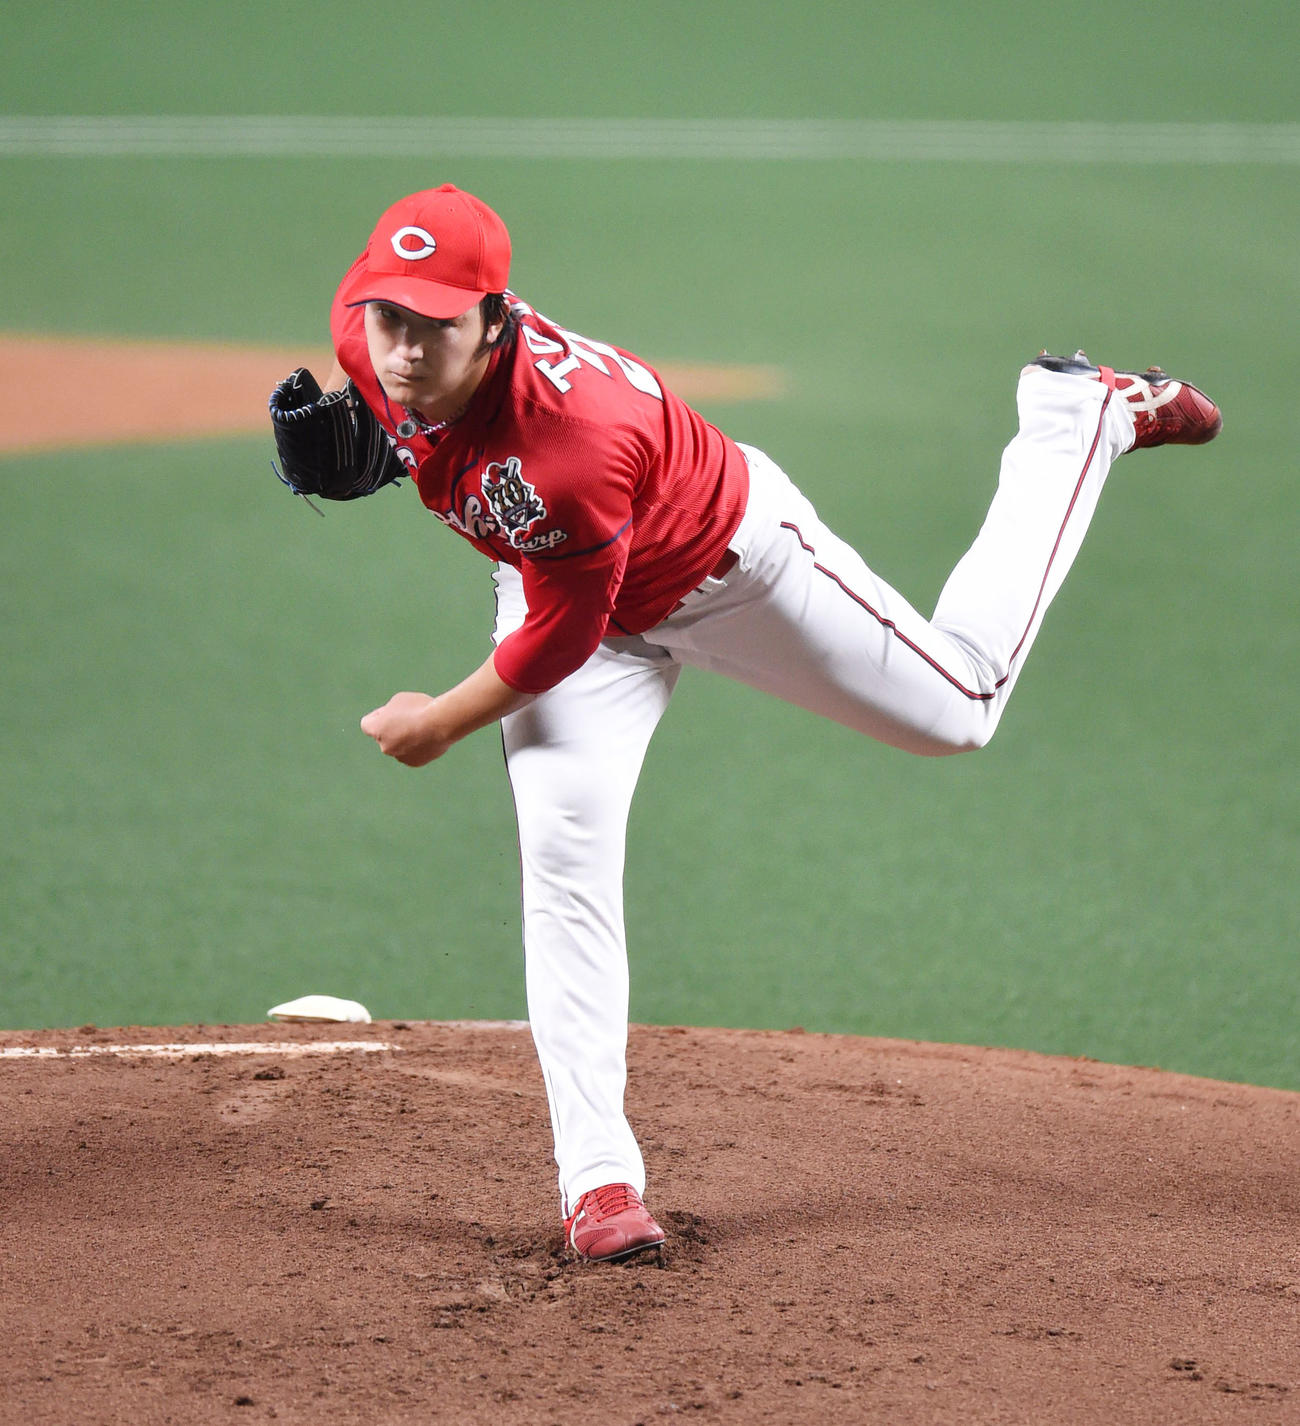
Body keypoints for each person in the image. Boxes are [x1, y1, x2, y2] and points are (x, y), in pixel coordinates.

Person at [268, 183, 1221, 1263]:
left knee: (960, 711)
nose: (398, 346)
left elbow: (560, 642)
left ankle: (1071, 425)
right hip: (570, 594)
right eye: (389, 316)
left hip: (739, 574)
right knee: (563, 863)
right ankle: (598, 1183)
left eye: (433, 324)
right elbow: (449, 453)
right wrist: (400, 448)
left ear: (497, 319)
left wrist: (438, 721)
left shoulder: (573, 441)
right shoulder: (367, 328)